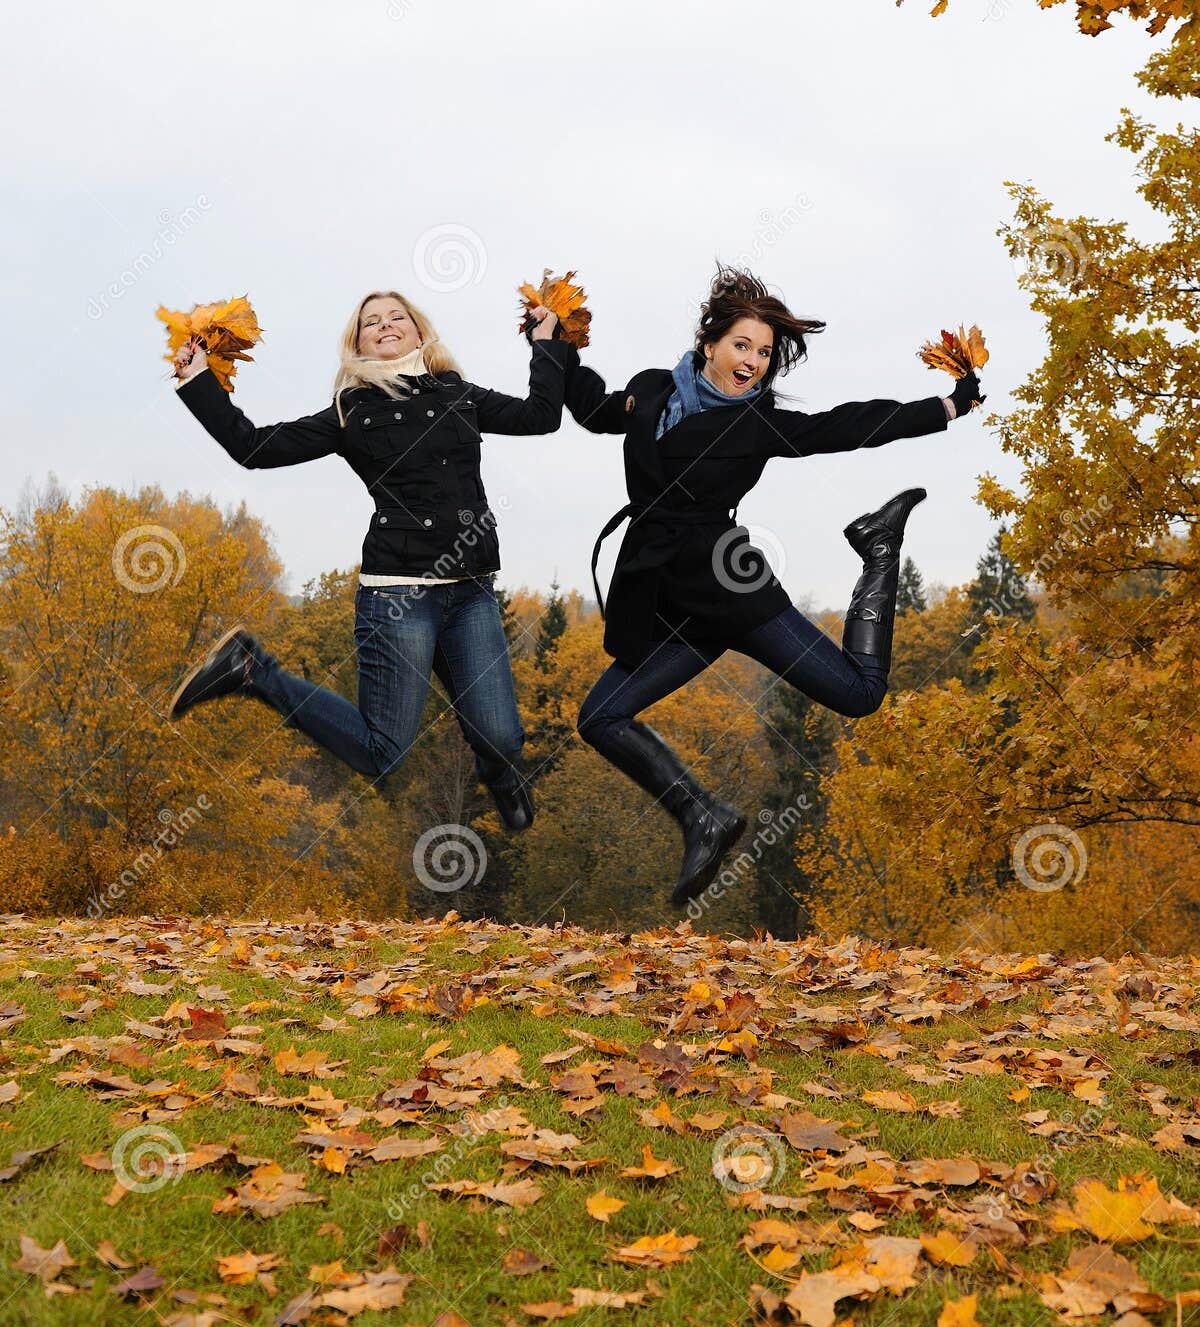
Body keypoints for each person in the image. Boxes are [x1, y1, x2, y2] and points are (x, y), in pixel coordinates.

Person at [567, 265, 983, 902]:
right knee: (599, 716)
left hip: (730, 592)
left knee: (859, 695)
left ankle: (879, 547)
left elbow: (844, 426)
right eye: (743, 346)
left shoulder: (755, 425)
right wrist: (555, 344)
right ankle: (702, 816)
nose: (754, 362)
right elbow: (593, 410)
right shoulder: (651, 391)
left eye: (764, 353)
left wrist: (946, 406)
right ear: (710, 344)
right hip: (664, 599)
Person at [167, 290, 578, 829]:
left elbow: (541, 417)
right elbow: (254, 448)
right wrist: (200, 382)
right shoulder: (351, 411)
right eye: (370, 323)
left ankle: (498, 769)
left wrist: (545, 343)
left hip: (471, 589)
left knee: (502, 737)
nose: (385, 325)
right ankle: (253, 671)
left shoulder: (459, 393)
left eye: (396, 317)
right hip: (400, 597)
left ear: (418, 329)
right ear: (357, 343)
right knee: (381, 753)